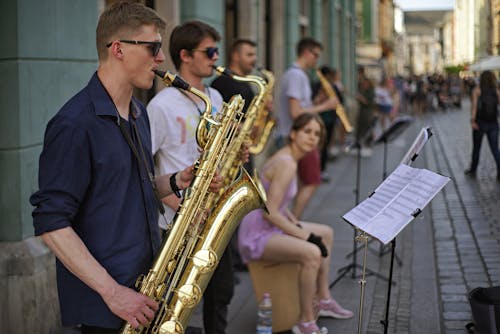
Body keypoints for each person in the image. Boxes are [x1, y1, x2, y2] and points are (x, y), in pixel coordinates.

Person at [29, 2, 216, 333]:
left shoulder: (138, 114)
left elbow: (129, 186)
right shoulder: (74, 124)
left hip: (147, 289)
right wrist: (113, 293)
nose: (161, 58)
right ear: (118, 49)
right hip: (108, 306)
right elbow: (51, 222)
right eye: (153, 47)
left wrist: (176, 180)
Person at [146, 21, 230, 334]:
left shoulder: (217, 97)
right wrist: (182, 212)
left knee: (221, 294)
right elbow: (145, 167)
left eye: (215, 51)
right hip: (178, 218)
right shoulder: (161, 105)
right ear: (185, 55)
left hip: (213, 214)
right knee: (175, 302)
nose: (215, 57)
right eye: (209, 51)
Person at [238, 113, 353, 334]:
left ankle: (324, 298)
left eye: (317, 134)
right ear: (293, 134)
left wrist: (295, 223)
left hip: (268, 225)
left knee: (326, 232)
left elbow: (277, 205)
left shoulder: (290, 158)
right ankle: (306, 321)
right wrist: (305, 236)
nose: (312, 138)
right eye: (307, 132)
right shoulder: (287, 164)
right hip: (256, 234)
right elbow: (270, 213)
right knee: (312, 253)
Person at [276, 37, 337, 219]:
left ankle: (290, 222)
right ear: (306, 53)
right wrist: (324, 106)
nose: (316, 61)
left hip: (295, 137)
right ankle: (293, 222)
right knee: (311, 181)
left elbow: (301, 106)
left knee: (298, 184)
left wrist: (316, 102)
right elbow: (296, 113)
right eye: (316, 55)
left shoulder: (297, 75)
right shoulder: (296, 75)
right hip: (296, 138)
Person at [465, 70, 500, 181]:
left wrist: (472, 121)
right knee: (495, 148)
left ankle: (473, 169)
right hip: (493, 123)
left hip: (480, 123)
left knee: (477, 147)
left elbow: (474, 106)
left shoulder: (477, 90)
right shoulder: (496, 91)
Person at [355, 66, 376, 155]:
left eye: (365, 83)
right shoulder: (362, 88)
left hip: (368, 111)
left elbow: (368, 101)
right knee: (360, 127)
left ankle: (367, 144)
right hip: (363, 111)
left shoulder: (370, 90)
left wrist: (360, 98)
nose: (364, 84)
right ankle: (359, 143)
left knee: (367, 127)